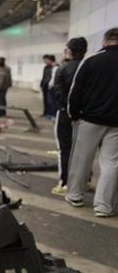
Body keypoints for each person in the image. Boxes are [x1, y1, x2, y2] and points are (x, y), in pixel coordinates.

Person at [65, 27, 118, 217]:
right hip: (116, 123)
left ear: (104, 42)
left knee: (81, 159)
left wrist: (74, 114)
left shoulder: (91, 60)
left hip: (89, 119)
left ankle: (75, 195)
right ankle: (104, 206)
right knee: (111, 164)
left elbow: (76, 91)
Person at [50, 38, 87, 196]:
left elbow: (57, 93)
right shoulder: (90, 67)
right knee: (85, 150)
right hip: (87, 116)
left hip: (65, 114)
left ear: (69, 51)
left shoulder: (63, 69)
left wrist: (68, 108)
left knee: (64, 149)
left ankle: (64, 183)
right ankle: (86, 182)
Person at [40, 54, 59, 119]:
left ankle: (51, 114)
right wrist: (41, 84)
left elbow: (52, 78)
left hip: (50, 87)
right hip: (44, 86)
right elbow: (44, 77)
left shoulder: (54, 67)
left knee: (50, 101)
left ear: (49, 60)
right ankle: (45, 113)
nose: (45, 61)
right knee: (45, 101)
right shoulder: (45, 67)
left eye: (45, 60)